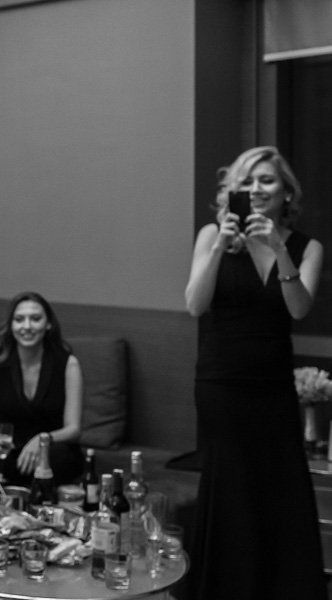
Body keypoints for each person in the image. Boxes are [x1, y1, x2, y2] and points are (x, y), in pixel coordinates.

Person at [184, 146, 326, 599]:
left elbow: (298, 307)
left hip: (272, 385)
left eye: (266, 181)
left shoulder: (307, 246)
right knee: (230, 485)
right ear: (233, 191)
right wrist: (220, 249)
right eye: (246, 182)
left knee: (279, 485)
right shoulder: (212, 234)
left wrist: (277, 247)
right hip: (221, 382)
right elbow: (194, 304)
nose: (256, 190)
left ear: (286, 191)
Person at [0, 291, 84, 502]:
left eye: (35, 319)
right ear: (11, 325)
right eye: (19, 319)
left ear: (48, 324)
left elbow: (74, 430)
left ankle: (43, 520)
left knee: (57, 458)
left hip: (52, 449)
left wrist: (42, 441)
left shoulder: (68, 364)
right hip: (10, 450)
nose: (27, 326)